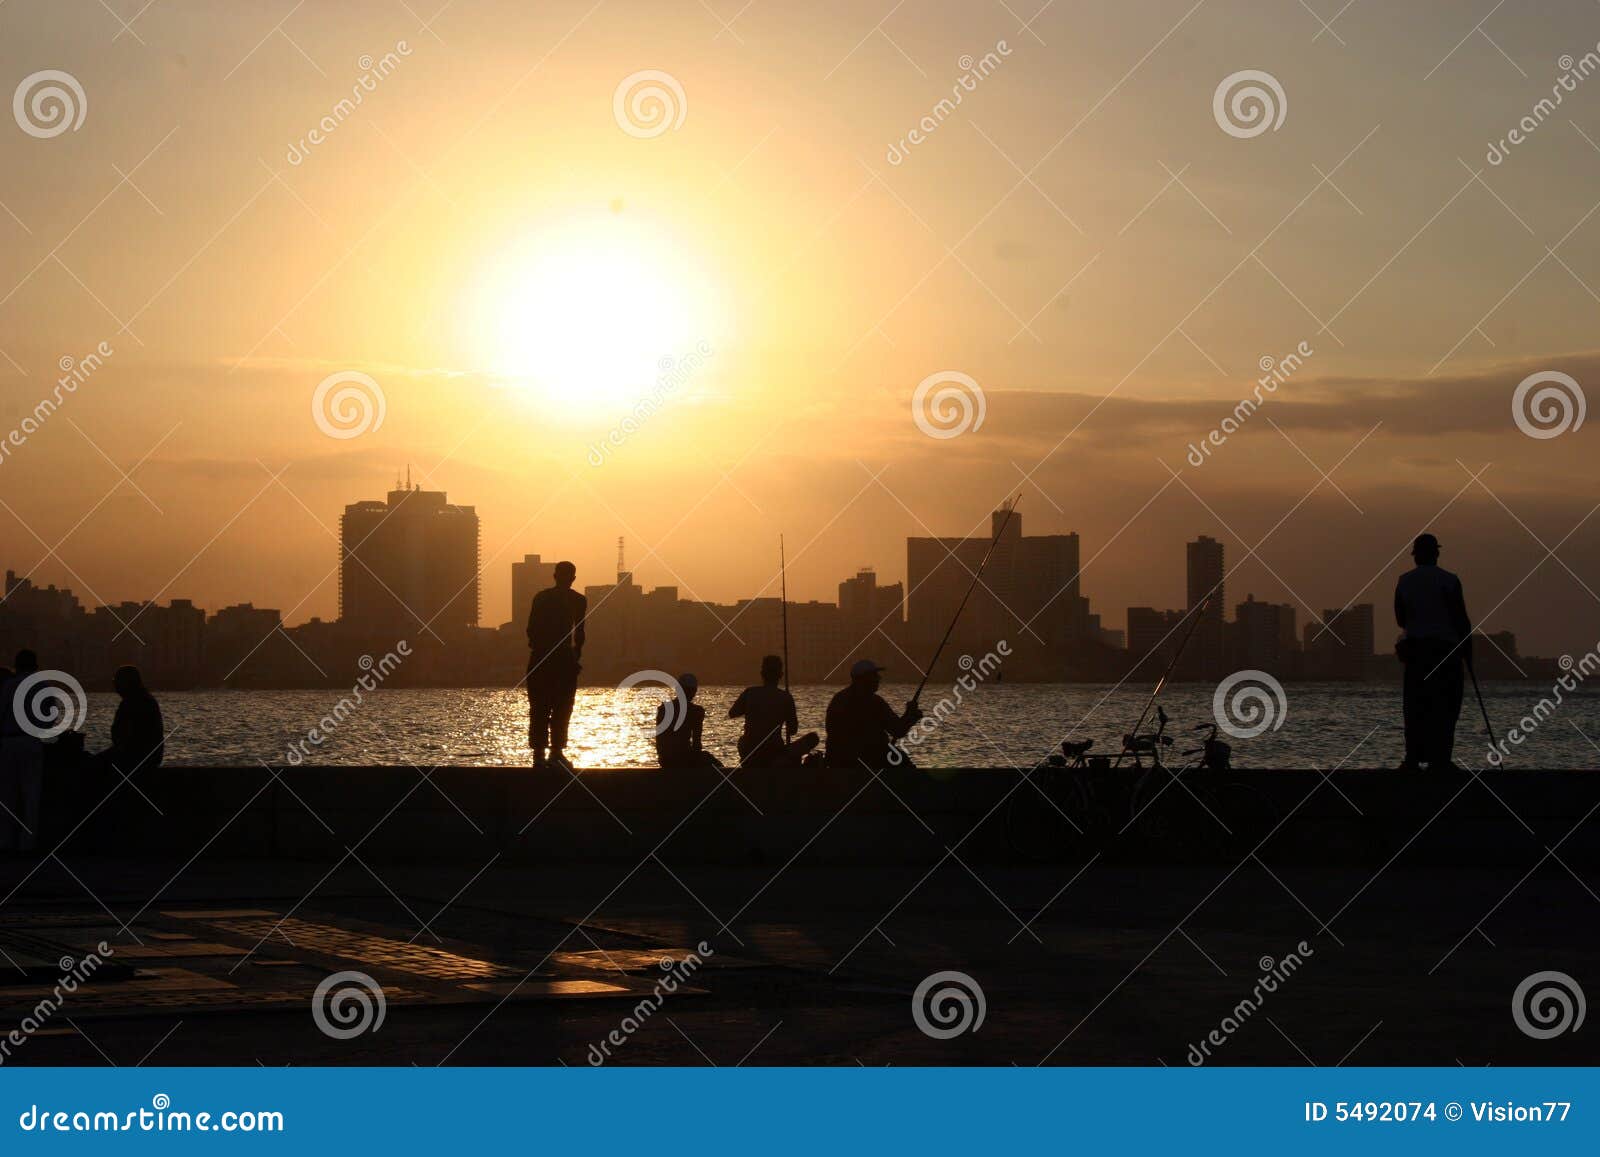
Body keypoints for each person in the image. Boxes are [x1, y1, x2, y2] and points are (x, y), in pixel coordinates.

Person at [1394, 532, 1473, 770]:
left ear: (1416, 556)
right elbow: (1461, 619)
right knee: (1445, 706)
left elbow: (1400, 618)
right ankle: (1441, 759)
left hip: (1415, 651)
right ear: (1436, 554)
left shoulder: (1404, 581)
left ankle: (1412, 758)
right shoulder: (1450, 580)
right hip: (1445, 651)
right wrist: (1468, 651)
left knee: (1415, 705)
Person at [526, 561, 586, 771]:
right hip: (562, 661)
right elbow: (579, 634)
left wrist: (541, 647)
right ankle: (555, 753)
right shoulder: (578, 600)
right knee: (562, 708)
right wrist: (574, 658)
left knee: (540, 708)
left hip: (541, 659)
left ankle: (540, 754)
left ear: (554, 576)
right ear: (573, 578)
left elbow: (531, 630)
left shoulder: (541, 598)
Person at [825, 659, 922, 771]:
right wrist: (911, 716)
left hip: (838, 760)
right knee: (901, 760)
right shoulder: (874, 702)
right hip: (870, 760)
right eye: (874, 676)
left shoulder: (838, 699)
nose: (879, 679)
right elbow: (898, 730)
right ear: (863, 679)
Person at [729, 655, 817, 768]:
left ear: (762, 674)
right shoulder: (786, 698)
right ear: (780, 675)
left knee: (742, 740)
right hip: (774, 753)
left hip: (749, 753)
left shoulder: (749, 693)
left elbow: (732, 713)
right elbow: (793, 730)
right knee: (813, 738)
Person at [0, 650, 46, 853]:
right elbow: (48, 718)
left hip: (8, 742)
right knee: (31, 794)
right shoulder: (41, 685)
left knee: (7, 794)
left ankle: (6, 841)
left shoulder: (8, 685)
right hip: (31, 741)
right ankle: (28, 843)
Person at [101, 665, 164, 774]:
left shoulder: (133, 703)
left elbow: (129, 743)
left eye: (116, 681)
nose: (114, 685)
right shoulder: (144, 700)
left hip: (135, 760)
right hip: (150, 758)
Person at [655, 674, 720, 769]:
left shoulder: (664, 709)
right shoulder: (696, 711)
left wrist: (662, 757)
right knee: (714, 763)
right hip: (684, 758)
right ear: (694, 692)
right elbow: (696, 743)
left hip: (665, 759)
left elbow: (659, 740)